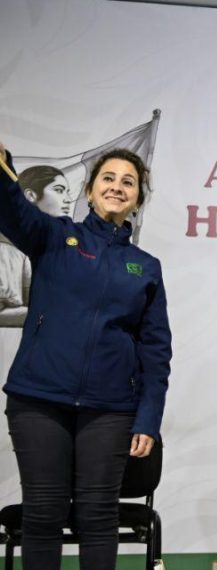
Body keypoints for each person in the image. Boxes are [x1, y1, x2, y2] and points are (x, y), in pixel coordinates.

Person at [0, 143, 171, 570]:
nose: (117, 187)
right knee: (42, 515)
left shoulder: (145, 267)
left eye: (128, 182)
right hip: (38, 401)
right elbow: (11, 210)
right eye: (108, 179)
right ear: (90, 192)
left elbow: (156, 351)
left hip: (109, 410)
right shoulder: (55, 236)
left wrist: (148, 417)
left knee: (98, 517)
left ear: (137, 198)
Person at [0, 165, 73, 327]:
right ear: (30, 196)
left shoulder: (58, 248)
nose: (68, 199)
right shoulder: (5, 251)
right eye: (59, 190)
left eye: (68, 192)